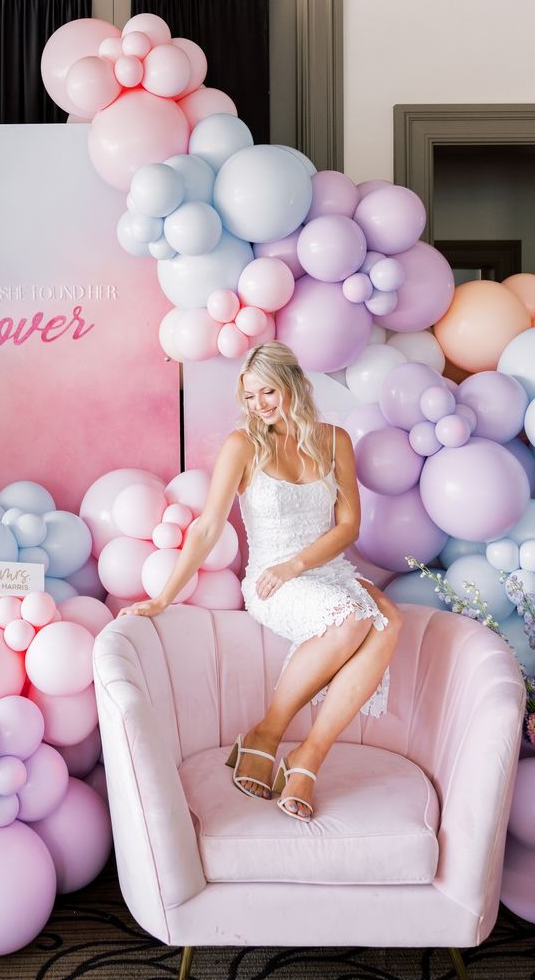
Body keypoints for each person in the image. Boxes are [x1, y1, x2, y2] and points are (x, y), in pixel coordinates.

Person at [119, 341, 401, 821]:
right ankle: (269, 734)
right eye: (250, 397)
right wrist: (163, 597)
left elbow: (348, 527)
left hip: (322, 571)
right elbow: (208, 527)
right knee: (354, 619)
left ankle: (308, 754)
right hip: (271, 583)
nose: (260, 406)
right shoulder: (243, 445)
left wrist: (298, 564)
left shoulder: (335, 441)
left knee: (389, 622)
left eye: (267, 392)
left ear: (293, 384)